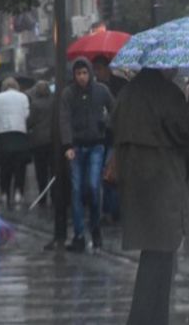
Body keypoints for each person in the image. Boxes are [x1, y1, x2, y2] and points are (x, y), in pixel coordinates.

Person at [111, 68, 189, 325]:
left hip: (135, 180)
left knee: (153, 252)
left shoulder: (127, 93)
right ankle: (148, 317)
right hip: (162, 179)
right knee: (162, 253)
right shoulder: (167, 93)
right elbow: (184, 130)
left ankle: (149, 317)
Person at [60, 57, 114, 252]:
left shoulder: (101, 91)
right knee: (76, 190)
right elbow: (64, 119)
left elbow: (113, 110)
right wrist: (67, 145)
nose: (81, 77)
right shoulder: (69, 94)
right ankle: (79, 234)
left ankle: (95, 228)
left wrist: (106, 126)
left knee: (92, 186)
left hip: (96, 145)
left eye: (84, 73)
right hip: (76, 147)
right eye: (78, 73)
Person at [92, 56, 128, 224]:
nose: (96, 72)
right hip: (100, 137)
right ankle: (109, 210)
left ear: (106, 68)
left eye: (98, 68)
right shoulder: (94, 87)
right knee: (105, 177)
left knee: (112, 175)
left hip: (116, 135)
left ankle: (114, 211)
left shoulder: (119, 84)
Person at [0, 77, 30, 205]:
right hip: (19, 133)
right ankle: (18, 193)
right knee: (19, 166)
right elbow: (26, 114)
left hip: (3, 134)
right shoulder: (23, 97)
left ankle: (4, 193)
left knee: (5, 166)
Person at [27, 81, 53, 207]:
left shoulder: (35, 104)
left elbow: (30, 122)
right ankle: (54, 196)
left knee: (41, 171)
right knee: (53, 170)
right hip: (52, 140)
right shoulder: (54, 102)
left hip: (38, 141)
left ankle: (42, 197)